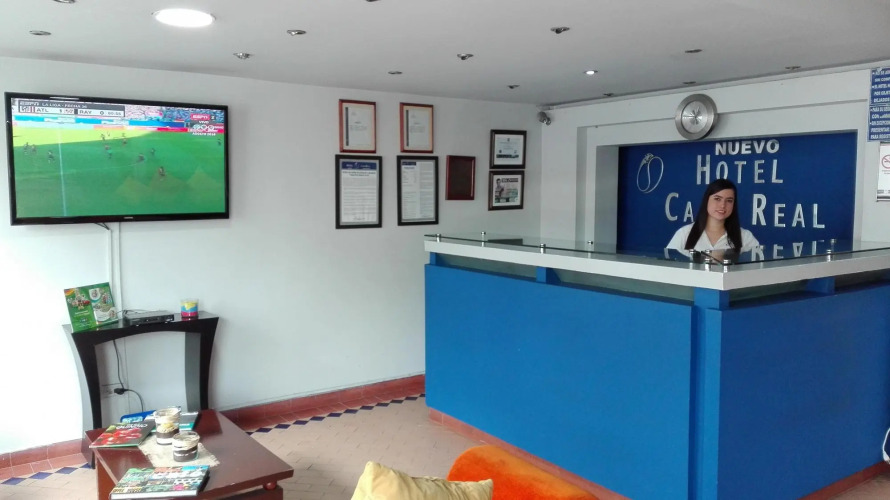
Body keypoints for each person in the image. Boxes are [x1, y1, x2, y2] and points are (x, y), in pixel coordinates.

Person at [666, 178, 759, 253]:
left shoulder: (745, 237)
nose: (723, 205)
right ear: (706, 200)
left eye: (729, 200)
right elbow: (669, 266)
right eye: (717, 199)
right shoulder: (684, 234)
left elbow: (758, 267)